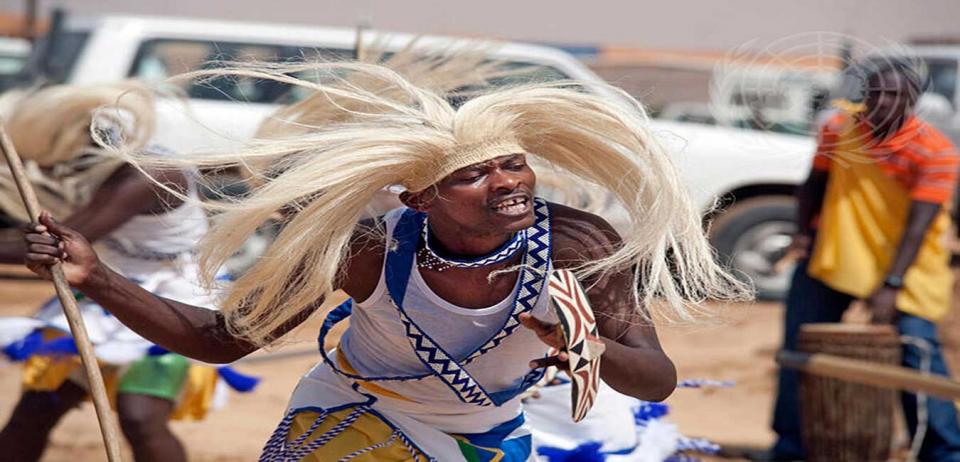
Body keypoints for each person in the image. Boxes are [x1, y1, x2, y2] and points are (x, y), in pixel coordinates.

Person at [20, 59, 747, 461]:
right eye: (473, 174)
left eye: (513, 165)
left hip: (485, 438)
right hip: (350, 418)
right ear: (420, 198)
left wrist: (583, 345)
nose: (507, 183)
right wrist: (96, 276)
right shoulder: (368, 251)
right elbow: (217, 341)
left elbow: (658, 375)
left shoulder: (578, 245)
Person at [0, 83, 250, 462]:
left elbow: (59, 245)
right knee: (37, 409)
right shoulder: (104, 168)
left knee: (141, 416)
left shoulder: (148, 174)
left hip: (174, 298)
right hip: (106, 293)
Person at [770, 58, 960, 461]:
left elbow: (918, 227)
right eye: (877, 93)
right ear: (864, 96)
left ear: (913, 100)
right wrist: (804, 234)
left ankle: (943, 453)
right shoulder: (838, 130)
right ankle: (790, 448)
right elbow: (813, 186)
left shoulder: (936, 152)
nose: (885, 102)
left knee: (916, 357)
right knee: (800, 353)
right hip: (834, 257)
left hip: (903, 269)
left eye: (896, 94)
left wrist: (891, 285)